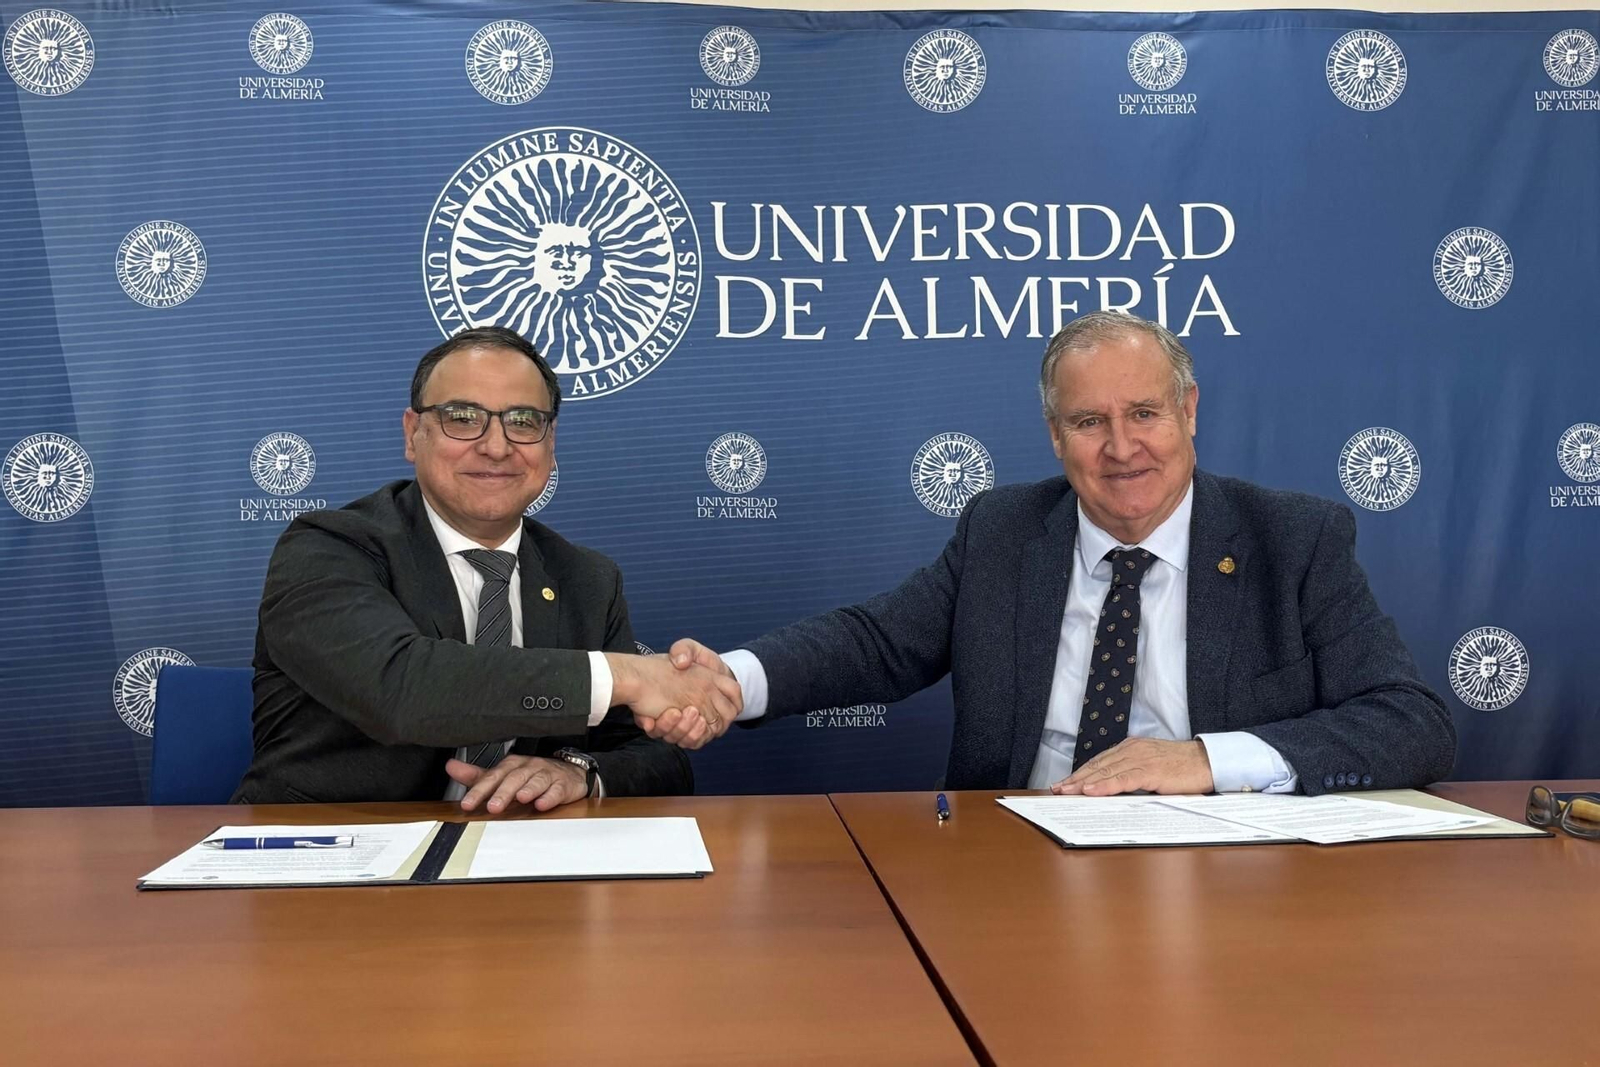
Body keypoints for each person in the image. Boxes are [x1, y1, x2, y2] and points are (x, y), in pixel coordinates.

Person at [667, 311, 1456, 796]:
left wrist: (1206, 759)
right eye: (1088, 422)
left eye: (1144, 412)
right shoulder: (1004, 529)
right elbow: (874, 644)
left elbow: (1411, 723)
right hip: (1016, 862)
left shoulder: (1295, 539)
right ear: (1054, 434)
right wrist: (731, 680)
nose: (1122, 448)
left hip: (1226, 880)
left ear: (1188, 410)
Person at [234, 327, 736, 813]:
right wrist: (625, 674)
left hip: (517, 862)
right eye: (462, 417)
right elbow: (402, 690)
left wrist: (579, 772)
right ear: (414, 434)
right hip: (327, 862)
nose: (496, 446)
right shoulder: (328, 546)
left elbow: (654, 755)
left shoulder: (587, 578)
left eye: (522, 421)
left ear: (550, 441)